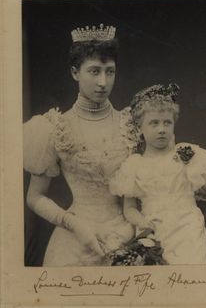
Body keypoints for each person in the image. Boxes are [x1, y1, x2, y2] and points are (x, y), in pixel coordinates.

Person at [23, 24, 138, 266]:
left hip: (126, 238)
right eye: (94, 71)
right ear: (75, 72)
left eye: (110, 72)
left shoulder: (131, 124)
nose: (103, 82)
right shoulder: (55, 127)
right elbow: (34, 197)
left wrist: (131, 231)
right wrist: (74, 224)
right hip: (75, 239)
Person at [109, 83, 206, 264]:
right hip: (154, 230)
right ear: (140, 128)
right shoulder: (134, 165)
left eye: (167, 122)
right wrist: (143, 223)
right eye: (154, 123)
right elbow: (129, 209)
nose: (162, 129)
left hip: (188, 229)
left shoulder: (183, 154)